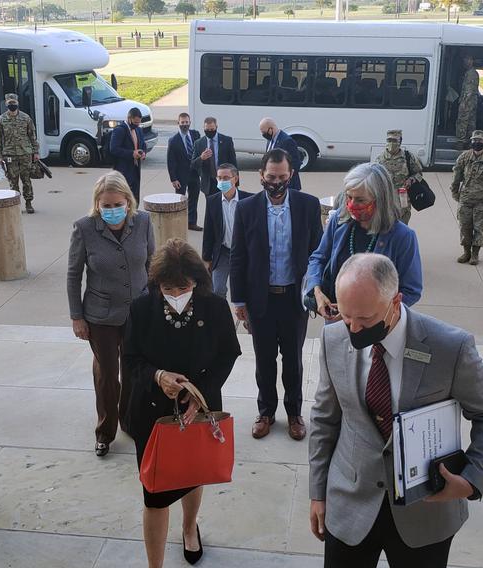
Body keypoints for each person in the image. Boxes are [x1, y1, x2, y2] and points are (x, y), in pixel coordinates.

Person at [308, 253, 483, 568]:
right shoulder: (333, 338)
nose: (354, 330)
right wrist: (317, 492)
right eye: (346, 317)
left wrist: (470, 480)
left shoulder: (450, 347)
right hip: (349, 503)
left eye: (366, 320)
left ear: (396, 301)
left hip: (426, 512)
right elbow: (324, 420)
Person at [123, 239, 241, 568]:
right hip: (152, 411)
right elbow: (130, 359)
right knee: (155, 494)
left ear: (196, 283)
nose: (176, 294)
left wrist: (200, 390)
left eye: (183, 287)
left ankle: (190, 527)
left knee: (193, 472)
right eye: (168, 288)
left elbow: (228, 353)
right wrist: (157, 375)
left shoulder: (215, 307)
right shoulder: (141, 309)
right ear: (157, 284)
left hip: (197, 409)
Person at [229, 149, 322, 441]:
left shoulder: (308, 206)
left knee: (293, 360)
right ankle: (266, 411)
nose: (277, 183)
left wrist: (317, 291)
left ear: (291, 175)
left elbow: (318, 253)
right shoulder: (246, 209)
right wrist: (239, 300)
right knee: (265, 360)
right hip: (261, 301)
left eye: (282, 177)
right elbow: (238, 257)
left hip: (294, 300)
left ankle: (294, 413)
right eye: (271, 177)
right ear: (261, 176)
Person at [67, 171, 155, 457]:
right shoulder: (84, 229)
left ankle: (129, 419)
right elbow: (73, 275)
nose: (113, 210)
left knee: (133, 371)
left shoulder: (143, 222)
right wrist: (76, 316)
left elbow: (152, 264)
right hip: (100, 316)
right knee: (107, 374)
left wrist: (156, 303)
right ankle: (105, 430)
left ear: (128, 202)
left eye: (118, 204)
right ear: (97, 204)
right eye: (106, 205)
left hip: (137, 313)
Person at [306, 162, 422, 323]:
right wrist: (316, 291)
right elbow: (318, 258)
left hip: (375, 327)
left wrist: (368, 315)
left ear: (380, 200)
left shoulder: (402, 237)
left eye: (360, 200)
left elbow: (411, 290)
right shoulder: (338, 221)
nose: (352, 205)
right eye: (349, 197)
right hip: (335, 321)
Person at [450, 130, 483, 266]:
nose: (477, 143)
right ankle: (466, 252)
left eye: (480, 141)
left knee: (479, 228)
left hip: (482, 201)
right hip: (466, 199)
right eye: (474, 141)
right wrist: (455, 193)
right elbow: (456, 175)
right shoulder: (465, 157)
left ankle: (475, 254)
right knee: (464, 227)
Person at [202, 163, 253, 299]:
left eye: (226, 178)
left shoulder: (249, 200)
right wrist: (206, 258)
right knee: (217, 289)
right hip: (223, 251)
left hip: (244, 252)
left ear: (235, 179)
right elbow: (208, 232)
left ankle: (247, 318)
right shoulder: (212, 201)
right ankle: (222, 316)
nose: (222, 181)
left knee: (247, 288)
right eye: (219, 178)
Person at [0, 93, 40, 213]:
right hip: (9, 155)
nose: (12, 106)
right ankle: (15, 205)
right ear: (6, 104)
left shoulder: (26, 118)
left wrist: (35, 152)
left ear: (17, 104)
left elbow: (32, 136)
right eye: (10, 104)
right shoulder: (1, 120)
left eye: (14, 103)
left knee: (26, 180)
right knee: (13, 181)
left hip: (25, 154)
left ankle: (29, 203)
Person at [375, 129, 425, 225]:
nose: (391, 143)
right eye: (389, 140)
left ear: (400, 142)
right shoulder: (379, 159)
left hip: (403, 199)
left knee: (402, 226)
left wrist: (411, 180)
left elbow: (419, 174)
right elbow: (374, 178)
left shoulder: (408, 157)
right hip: (386, 199)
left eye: (394, 141)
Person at [167, 112, 202, 230]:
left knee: (194, 199)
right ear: (178, 123)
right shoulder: (173, 140)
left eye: (187, 122)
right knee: (180, 201)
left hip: (194, 173)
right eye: (182, 122)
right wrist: (173, 178)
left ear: (190, 122)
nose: (185, 125)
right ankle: (179, 223)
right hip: (180, 176)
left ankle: (192, 223)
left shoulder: (195, 135)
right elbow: (171, 161)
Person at [191, 117, 237, 197]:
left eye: (212, 130)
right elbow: (193, 164)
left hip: (224, 180)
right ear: (203, 128)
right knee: (210, 207)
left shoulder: (227, 141)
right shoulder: (198, 143)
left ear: (216, 127)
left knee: (225, 205)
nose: (209, 132)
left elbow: (233, 162)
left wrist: (236, 182)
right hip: (209, 183)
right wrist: (201, 158)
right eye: (207, 130)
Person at [110, 107, 147, 204]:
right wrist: (131, 154)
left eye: (139, 123)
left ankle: (135, 215)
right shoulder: (120, 130)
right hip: (123, 170)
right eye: (135, 123)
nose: (137, 125)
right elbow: (113, 149)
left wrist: (143, 152)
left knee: (135, 199)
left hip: (135, 169)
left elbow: (143, 144)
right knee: (124, 198)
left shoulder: (138, 130)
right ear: (129, 119)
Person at [259, 117, 302, 190]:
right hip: (272, 185)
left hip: (288, 186)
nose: (263, 134)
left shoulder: (287, 141)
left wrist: (283, 178)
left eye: (264, 132)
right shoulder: (270, 140)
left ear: (270, 129)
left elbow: (296, 163)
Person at [455, 54, 480, 150]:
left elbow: (469, 91)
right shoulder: (472, 73)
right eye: (464, 60)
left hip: (468, 102)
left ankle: (460, 143)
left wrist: (463, 104)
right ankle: (470, 143)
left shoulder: (471, 74)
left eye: (467, 60)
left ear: (471, 61)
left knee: (462, 121)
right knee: (470, 123)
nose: (465, 62)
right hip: (472, 102)